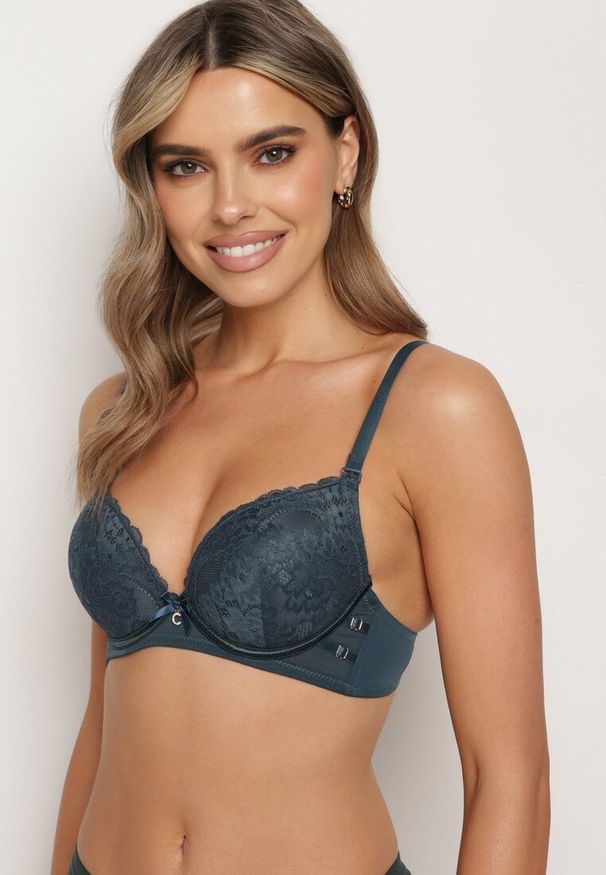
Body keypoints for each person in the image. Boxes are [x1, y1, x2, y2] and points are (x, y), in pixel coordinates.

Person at [51, 1, 550, 872]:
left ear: (344, 153)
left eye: (272, 153)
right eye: (186, 166)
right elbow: (103, 726)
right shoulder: (122, 410)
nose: (230, 205)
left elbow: (507, 775)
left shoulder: (434, 408)